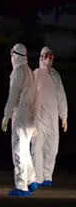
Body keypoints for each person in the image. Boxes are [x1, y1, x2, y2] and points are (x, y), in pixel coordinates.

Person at [2, 43, 38, 196]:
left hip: (21, 114)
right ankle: (31, 180)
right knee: (25, 150)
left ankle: (21, 186)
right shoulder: (29, 71)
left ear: (14, 55)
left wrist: (6, 115)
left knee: (19, 150)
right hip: (29, 114)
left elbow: (13, 96)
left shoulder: (18, 72)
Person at [32, 46, 68, 187]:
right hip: (38, 117)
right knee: (37, 147)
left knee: (51, 147)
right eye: (45, 56)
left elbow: (61, 96)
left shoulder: (55, 75)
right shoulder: (35, 74)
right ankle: (37, 176)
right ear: (41, 57)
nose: (47, 59)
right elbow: (30, 95)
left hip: (52, 118)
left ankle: (47, 176)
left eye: (49, 56)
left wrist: (63, 116)